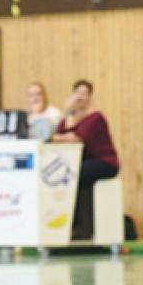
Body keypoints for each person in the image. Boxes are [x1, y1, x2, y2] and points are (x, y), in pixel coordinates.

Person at [52, 80, 120, 240]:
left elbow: (76, 139)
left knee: (73, 176)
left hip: (104, 163)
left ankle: (78, 227)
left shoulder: (95, 118)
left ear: (90, 97)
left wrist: (63, 132)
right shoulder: (70, 118)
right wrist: (68, 112)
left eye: (84, 94)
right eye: (78, 93)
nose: (80, 97)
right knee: (66, 176)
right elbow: (59, 133)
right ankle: (70, 226)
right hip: (83, 164)